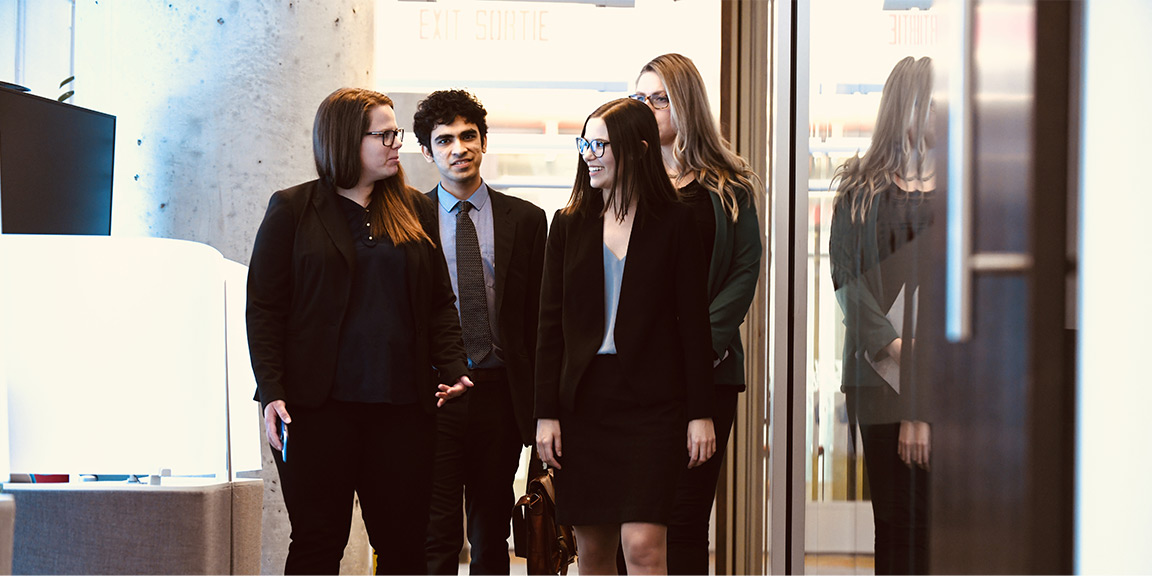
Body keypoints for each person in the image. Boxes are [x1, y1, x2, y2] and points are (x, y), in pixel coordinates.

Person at [246, 87, 473, 575]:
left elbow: (439, 301)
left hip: (402, 411)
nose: (397, 142)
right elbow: (265, 308)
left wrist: (454, 366)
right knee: (317, 543)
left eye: (396, 132)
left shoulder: (415, 208)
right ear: (348, 139)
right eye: (385, 133)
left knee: (405, 548)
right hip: (316, 411)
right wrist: (272, 390)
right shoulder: (292, 209)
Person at [535, 97, 715, 575]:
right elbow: (549, 328)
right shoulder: (569, 224)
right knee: (592, 552)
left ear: (636, 149)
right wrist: (545, 415)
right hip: (584, 404)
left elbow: (694, 326)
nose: (589, 154)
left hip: (652, 408)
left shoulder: (676, 223)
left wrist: (701, 413)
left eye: (600, 144)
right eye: (585, 143)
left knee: (642, 548)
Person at [630, 52, 763, 575]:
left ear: (684, 105)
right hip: (637, 379)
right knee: (635, 521)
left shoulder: (730, 187)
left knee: (685, 522)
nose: (646, 108)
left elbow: (744, 272)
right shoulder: (624, 181)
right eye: (639, 98)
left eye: (657, 99)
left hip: (708, 374)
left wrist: (696, 349)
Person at [413, 89, 548, 575]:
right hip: (439, 394)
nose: (458, 148)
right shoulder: (409, 219)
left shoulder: (528, 220)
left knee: (492, 533)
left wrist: (544, 408)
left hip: (499, 395)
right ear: (427, 151)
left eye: (468, 135)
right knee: (437, 532)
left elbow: (540, 319)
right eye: (444, 139)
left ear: (484, 142)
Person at [828, 56, 935, 575]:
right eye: (932, 100)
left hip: (948, 380)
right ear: (906, 105)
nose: (940, 111)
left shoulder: (966, 186)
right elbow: (844, 278)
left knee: (939, 522)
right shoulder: (859, 189)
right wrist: (892, 344)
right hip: (875, 376)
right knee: (892, 520)